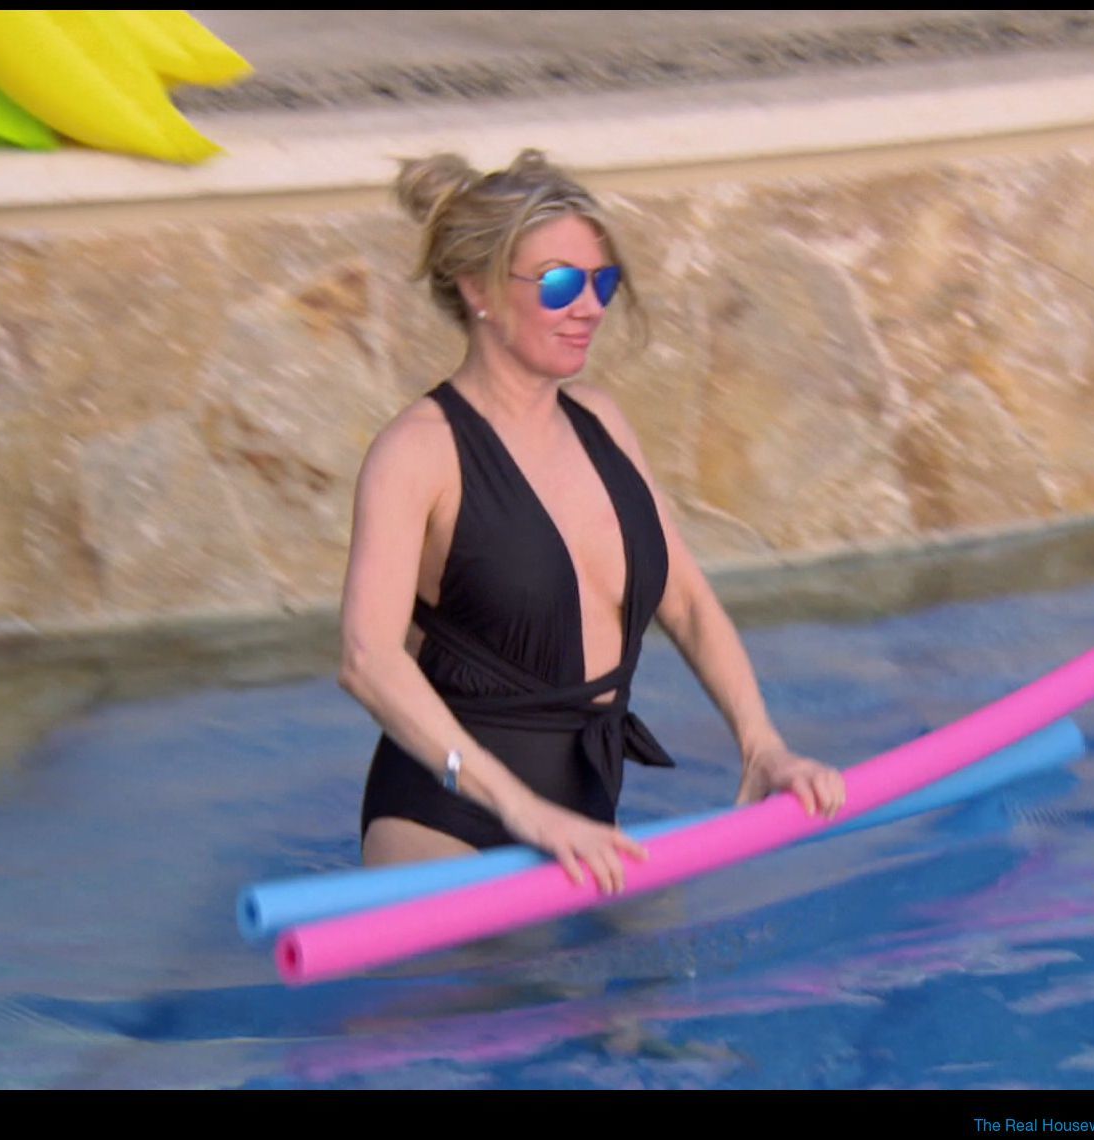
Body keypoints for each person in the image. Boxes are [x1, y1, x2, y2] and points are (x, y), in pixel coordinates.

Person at [340, 149, 845, 894]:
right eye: (559, 284)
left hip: (586, 820)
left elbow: (688, 602)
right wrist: (524, 811)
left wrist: (761, 745)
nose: (590, 308)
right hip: (448, 826)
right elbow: (368, 659)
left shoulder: (602, 423)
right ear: (478, 287)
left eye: (600, 283)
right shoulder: (418, 452)